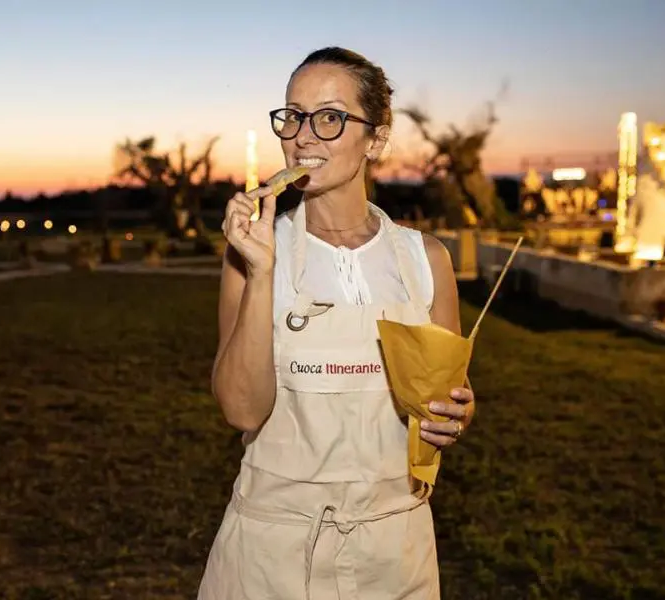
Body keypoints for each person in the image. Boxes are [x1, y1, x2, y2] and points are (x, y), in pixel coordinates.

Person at [198, 47, 475, 599]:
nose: (303, 137)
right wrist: (262, 272)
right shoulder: (250, 253)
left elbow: (446, 392)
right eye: (293, 115)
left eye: (329, 118)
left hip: (394, 551)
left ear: (375, 139)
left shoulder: (427, 260)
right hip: (271, 552)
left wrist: (457, 414)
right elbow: (241, 409)